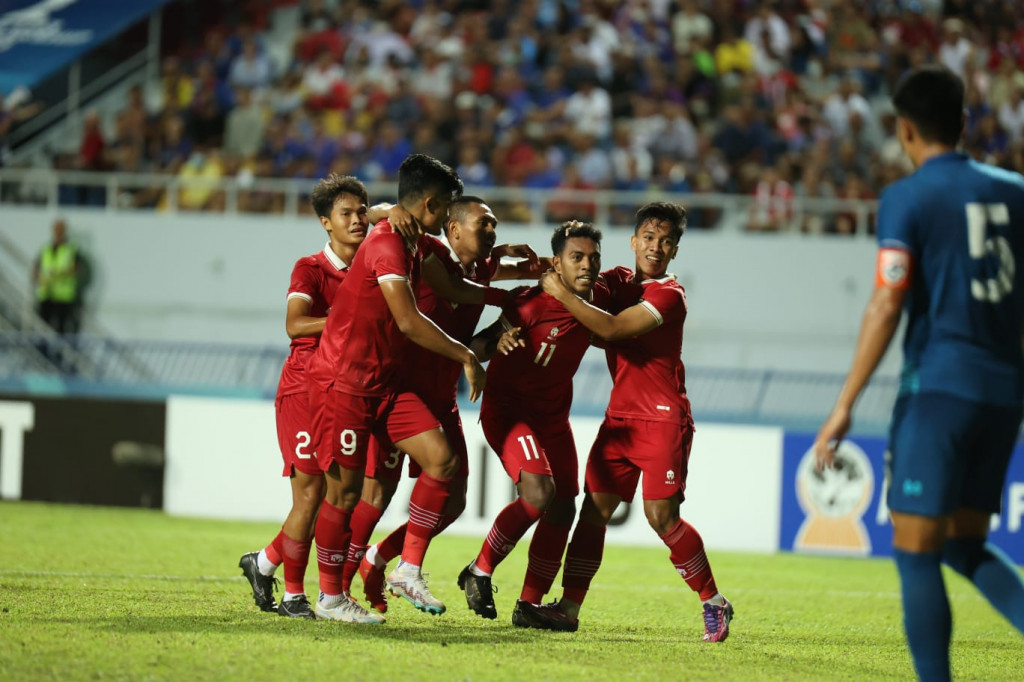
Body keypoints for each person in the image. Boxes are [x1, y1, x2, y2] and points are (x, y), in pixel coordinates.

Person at [813, 65, 1024, 681]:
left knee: (916, 551)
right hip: (1004, 393)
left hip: (938, 390)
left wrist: (845, 402)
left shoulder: (907, 197)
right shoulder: (1015, 191)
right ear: (963, 122)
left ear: (904, 128)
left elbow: (886, 301)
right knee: (962, 542)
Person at [522, 201, 734, 643]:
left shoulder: (668, 295)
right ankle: (569, 608)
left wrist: (563, 295)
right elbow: (580, 289)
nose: (656, 247)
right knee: (593, 513)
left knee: (662, 517)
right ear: (634, 241)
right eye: (650, 239)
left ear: (676, 249)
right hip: (619, 420)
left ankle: (713, 601)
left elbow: (614, 329)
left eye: (667, 241)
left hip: (662, 420)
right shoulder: (617, 280)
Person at [306, 154, 494, 623]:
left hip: (386, 384)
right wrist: (467, 354)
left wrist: (514, 294)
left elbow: (453, 288)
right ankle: (329, 597)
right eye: (447, 207)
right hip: (345, 382)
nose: (450, 215)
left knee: (442, 460)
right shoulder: (390, 244)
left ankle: (406, 567)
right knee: (345, 494)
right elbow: (409, 321)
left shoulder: (415, 242)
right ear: (431, 204)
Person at [340, 196, 550, 613]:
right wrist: (387, 209)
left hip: (440, 397)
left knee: (452, 501)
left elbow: (530, 270)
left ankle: (380, 560)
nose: (492, 231)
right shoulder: (427, 251)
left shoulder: (483, 268)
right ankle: (339, 588)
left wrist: (558, 262)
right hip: (399, 389)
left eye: (494, 225)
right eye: (483, 224)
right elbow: (373, 215)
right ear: (453, 230)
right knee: (377, 493)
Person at [237, 174, 417, 619]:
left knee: (339, 492)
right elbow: (295, 325)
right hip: (305, 387)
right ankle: (296, 596)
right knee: (314, 492)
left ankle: (263, 563)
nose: (357, 220)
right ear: (324, 223)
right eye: (345, 214)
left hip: (348, 386)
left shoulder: (374, 258)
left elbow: (382, 213)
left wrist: (385, 210)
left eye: (362, 212)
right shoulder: (311, 268)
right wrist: (347, 315)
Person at [458, 221, 605, 625]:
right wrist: (497, 343)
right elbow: (478, 346)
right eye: (576, 257)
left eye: (593, 257)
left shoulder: (598, 300)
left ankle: (528, 605)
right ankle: (479, 570)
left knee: (562, 508)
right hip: (510, 413)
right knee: (540, 491)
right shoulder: (530, 302)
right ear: (557, 263)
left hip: (554, 419)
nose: (587, 265)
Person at [32, 218, 83, 335]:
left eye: (61, 229)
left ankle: (58, 353)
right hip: (46, 295)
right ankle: (43, 352)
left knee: (61, 329)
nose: (58, 232)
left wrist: (61, 273)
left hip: (63, 297)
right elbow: (36, 267)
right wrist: (38, 278)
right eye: (56, 229)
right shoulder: (46, 249)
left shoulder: (71, 249)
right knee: (42, 328)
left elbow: (78, 269)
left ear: (65, 231)